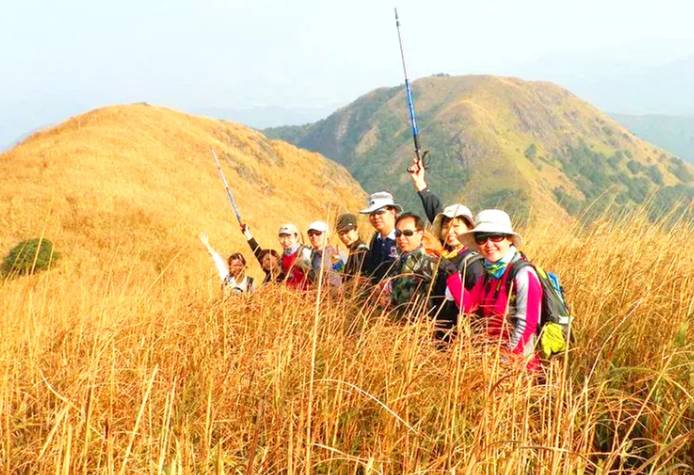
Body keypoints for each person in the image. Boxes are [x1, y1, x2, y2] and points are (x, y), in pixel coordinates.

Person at [450, 209, 542, 368]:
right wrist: (452, 278)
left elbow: (526, 326)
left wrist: (503, 364)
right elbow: (469, 307)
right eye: (481, 238)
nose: (489, 244)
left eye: (496, 236)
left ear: (509, 239)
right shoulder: (488, 274)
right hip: (491, 363)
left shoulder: (522, 274)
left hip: (519, 369)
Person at [385, 212, 438, 313]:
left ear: (420, 234)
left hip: (418, 324)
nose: (401, 238)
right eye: (398, 233)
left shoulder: (429, 262)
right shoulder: (399, 260)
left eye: (407, 233)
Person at [359, 191, 402, 284]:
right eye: (372, 214)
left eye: (380, 212)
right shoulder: (376, 239)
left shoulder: (403, 239)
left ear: (392, 212)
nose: (375, 217)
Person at [306, 220, 344, 287]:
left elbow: (341, 276)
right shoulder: (312, 254)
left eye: (318, 233)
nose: (314, 236)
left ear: (326, 235)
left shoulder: (333, 254)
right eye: (311, 234)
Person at [277, 223, 313, 290]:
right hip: (290, 294)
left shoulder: (304, 251)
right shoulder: (284, 255)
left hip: (306, 293)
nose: (285, 241)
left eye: (289, 237)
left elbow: (315, 274)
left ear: (296, 237)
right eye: (282, 237)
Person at [335, 213, 368, 278]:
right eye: (341, 233)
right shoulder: (353, 250)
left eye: (347, 231)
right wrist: (337, 265)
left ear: (356, 230)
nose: (344, 236)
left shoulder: (362, 251)